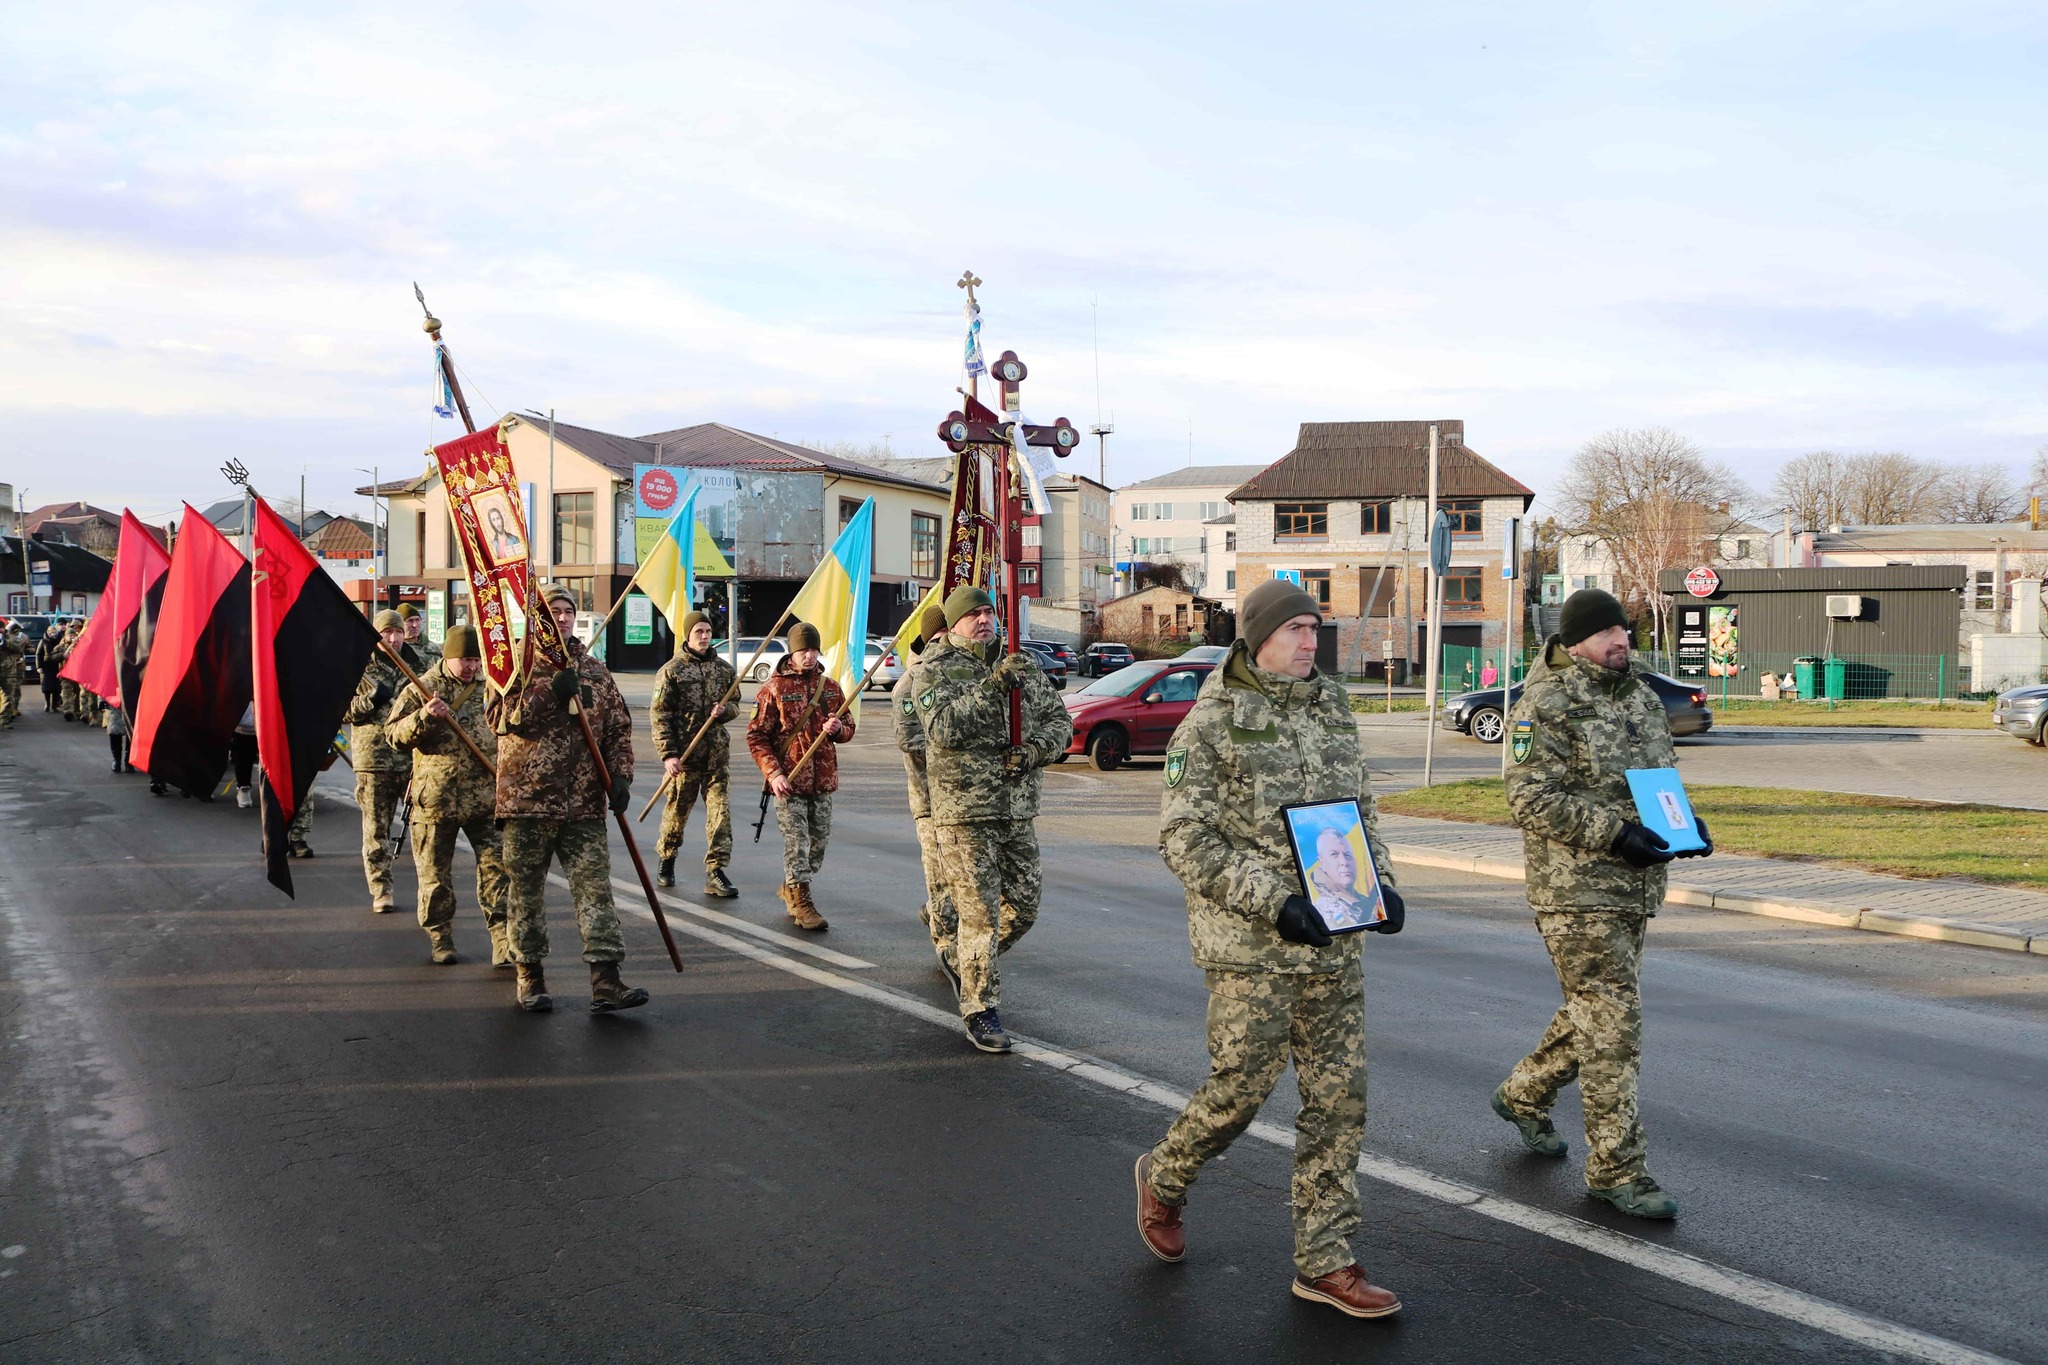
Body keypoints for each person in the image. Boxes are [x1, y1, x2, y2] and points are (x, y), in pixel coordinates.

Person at [1134, 576, 1407, 1320]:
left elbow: (1359, 805)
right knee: (1239, 1091)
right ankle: (1164, 1173)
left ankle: (1325, 1261)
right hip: (1252, 944)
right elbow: (1184, 839)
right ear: (1258, 639)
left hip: (1333, 941)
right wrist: (1275, 901)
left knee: (1338, 1102)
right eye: (1296, 631)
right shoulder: (1213, 720)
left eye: (1316, 630)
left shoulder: (1331, 707)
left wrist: (1380, 883)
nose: (1310, 643)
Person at [1492, 588, 1711, 1221]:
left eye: (1625, 629)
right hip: (1576, 890)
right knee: (1613, 1023)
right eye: (1607, 632)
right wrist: (1616, 835)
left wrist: (1683, 824)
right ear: (1577, 639)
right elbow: (1529, 799)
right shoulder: (1544, 703)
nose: (1622, 640)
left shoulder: (1640, 696)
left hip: (1637, 885)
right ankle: (1618, 1171)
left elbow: (1657, 782)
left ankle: (1522, 1094)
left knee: (1595, 1012)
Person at [916, 586, 1073, 1053]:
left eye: (989, 612)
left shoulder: (1019, 663)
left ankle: (964, 959)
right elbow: (943, 729)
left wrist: (1031, 753)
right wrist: (994, 687)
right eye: (974, 615)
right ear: (956, 622)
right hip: (964, 813)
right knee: (980, 914)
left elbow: (1059, 723)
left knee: (1023, 907)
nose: (984, 620)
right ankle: (981, 1009)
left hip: (1016, 808)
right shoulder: (934, 669)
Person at [490, 584, 644, 1013]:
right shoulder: (513, 667)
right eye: (553, 611)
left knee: (595, 890)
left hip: (584, 805)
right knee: (526, 893)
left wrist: (620, 778)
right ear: (538, 618)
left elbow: (617, 728)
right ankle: (530, 977)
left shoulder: (595, 670)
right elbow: (501, 720)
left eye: (567, 611)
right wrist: (548, 693)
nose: (560, 618)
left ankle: (606, 980)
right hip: (527, 803)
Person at [387, 624, 508, 967]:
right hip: (435, 801)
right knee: (435, 877)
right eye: (464, 660)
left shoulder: (491, 689)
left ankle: (502, 940)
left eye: (475, 659)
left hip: (485, 798)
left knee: (497, 873)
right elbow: (393, 736)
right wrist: (425, 717)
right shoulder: (422, 688)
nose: (471, 667)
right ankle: (441, 938)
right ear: (448, 657)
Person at [745, 622, 851, 931]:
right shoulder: (774, 689)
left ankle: (792, 884)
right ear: (792, 651)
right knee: (797, 843)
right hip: (788, 782)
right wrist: (773, 773)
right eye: (803, 650)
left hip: (822, 780)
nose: (809, 656)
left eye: (813, 649)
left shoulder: (830, 687)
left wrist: (838, 729)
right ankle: (802, 901)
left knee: (818, 845)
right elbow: (756, 737)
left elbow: (848, 726)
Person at [651, 611, 739, 898]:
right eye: (698, 631)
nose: (704, 636)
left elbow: (736, 704)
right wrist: (668, 755)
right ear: (688, 635)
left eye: (707, 631)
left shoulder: (724, 670)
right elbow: (660, 714)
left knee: (720, 815)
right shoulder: (671, 671)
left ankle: (716, 871)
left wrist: (725, 711)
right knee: (676, 813)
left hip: (715, 758)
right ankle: (667, 859)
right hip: (684, 758)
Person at [891, 605, 955, 986]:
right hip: (930, 801)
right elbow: (910, 740)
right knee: (940, 875)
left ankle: (937, 913)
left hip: (964, 801)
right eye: (938, 640)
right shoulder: (909, 684)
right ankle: (948, 949)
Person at [344, 610, 416, 914]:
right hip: (374, 761)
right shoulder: (360, 668)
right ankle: (381, 888)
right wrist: (371, 699)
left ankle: (429, 886)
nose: (395, 638)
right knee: (376, 830)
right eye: (388, 633)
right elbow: (344, 712)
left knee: (426, 827)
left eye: (398, 632)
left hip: (413, 758)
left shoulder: (416, 664)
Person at [398, 603, 441, 672]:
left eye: (417, 620)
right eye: (410, 621)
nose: (415, 625)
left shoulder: (433, 648)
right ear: (400, 623)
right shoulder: (396, 648)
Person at [58, 618, 86, 721]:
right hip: (65, 674)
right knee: (66, 693)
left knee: (78, 693)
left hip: (77, 674)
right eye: (70, 635)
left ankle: (78, 711)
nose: (72, 637)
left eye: (74, 635)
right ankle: (68, 711)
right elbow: (49, 657)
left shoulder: (80, 645)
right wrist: (62, 655)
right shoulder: (61, 646)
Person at [0, 619, 25, 728]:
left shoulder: (9, 637)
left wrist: (6, 642)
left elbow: (18, 649)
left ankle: (3, 721)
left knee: (8, 697)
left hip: (8, 672)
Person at [37, 623, 66, 716]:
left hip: (56, 667)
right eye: (50, 632)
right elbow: (39, 654)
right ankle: (47, 704)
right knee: (46, 687)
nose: (52, 634)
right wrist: (39, 667)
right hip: (46, 667)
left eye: (54, 632)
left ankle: (54, 706)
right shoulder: (43, 641)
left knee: (56, 688)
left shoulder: (59, 641)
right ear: (47, 633)